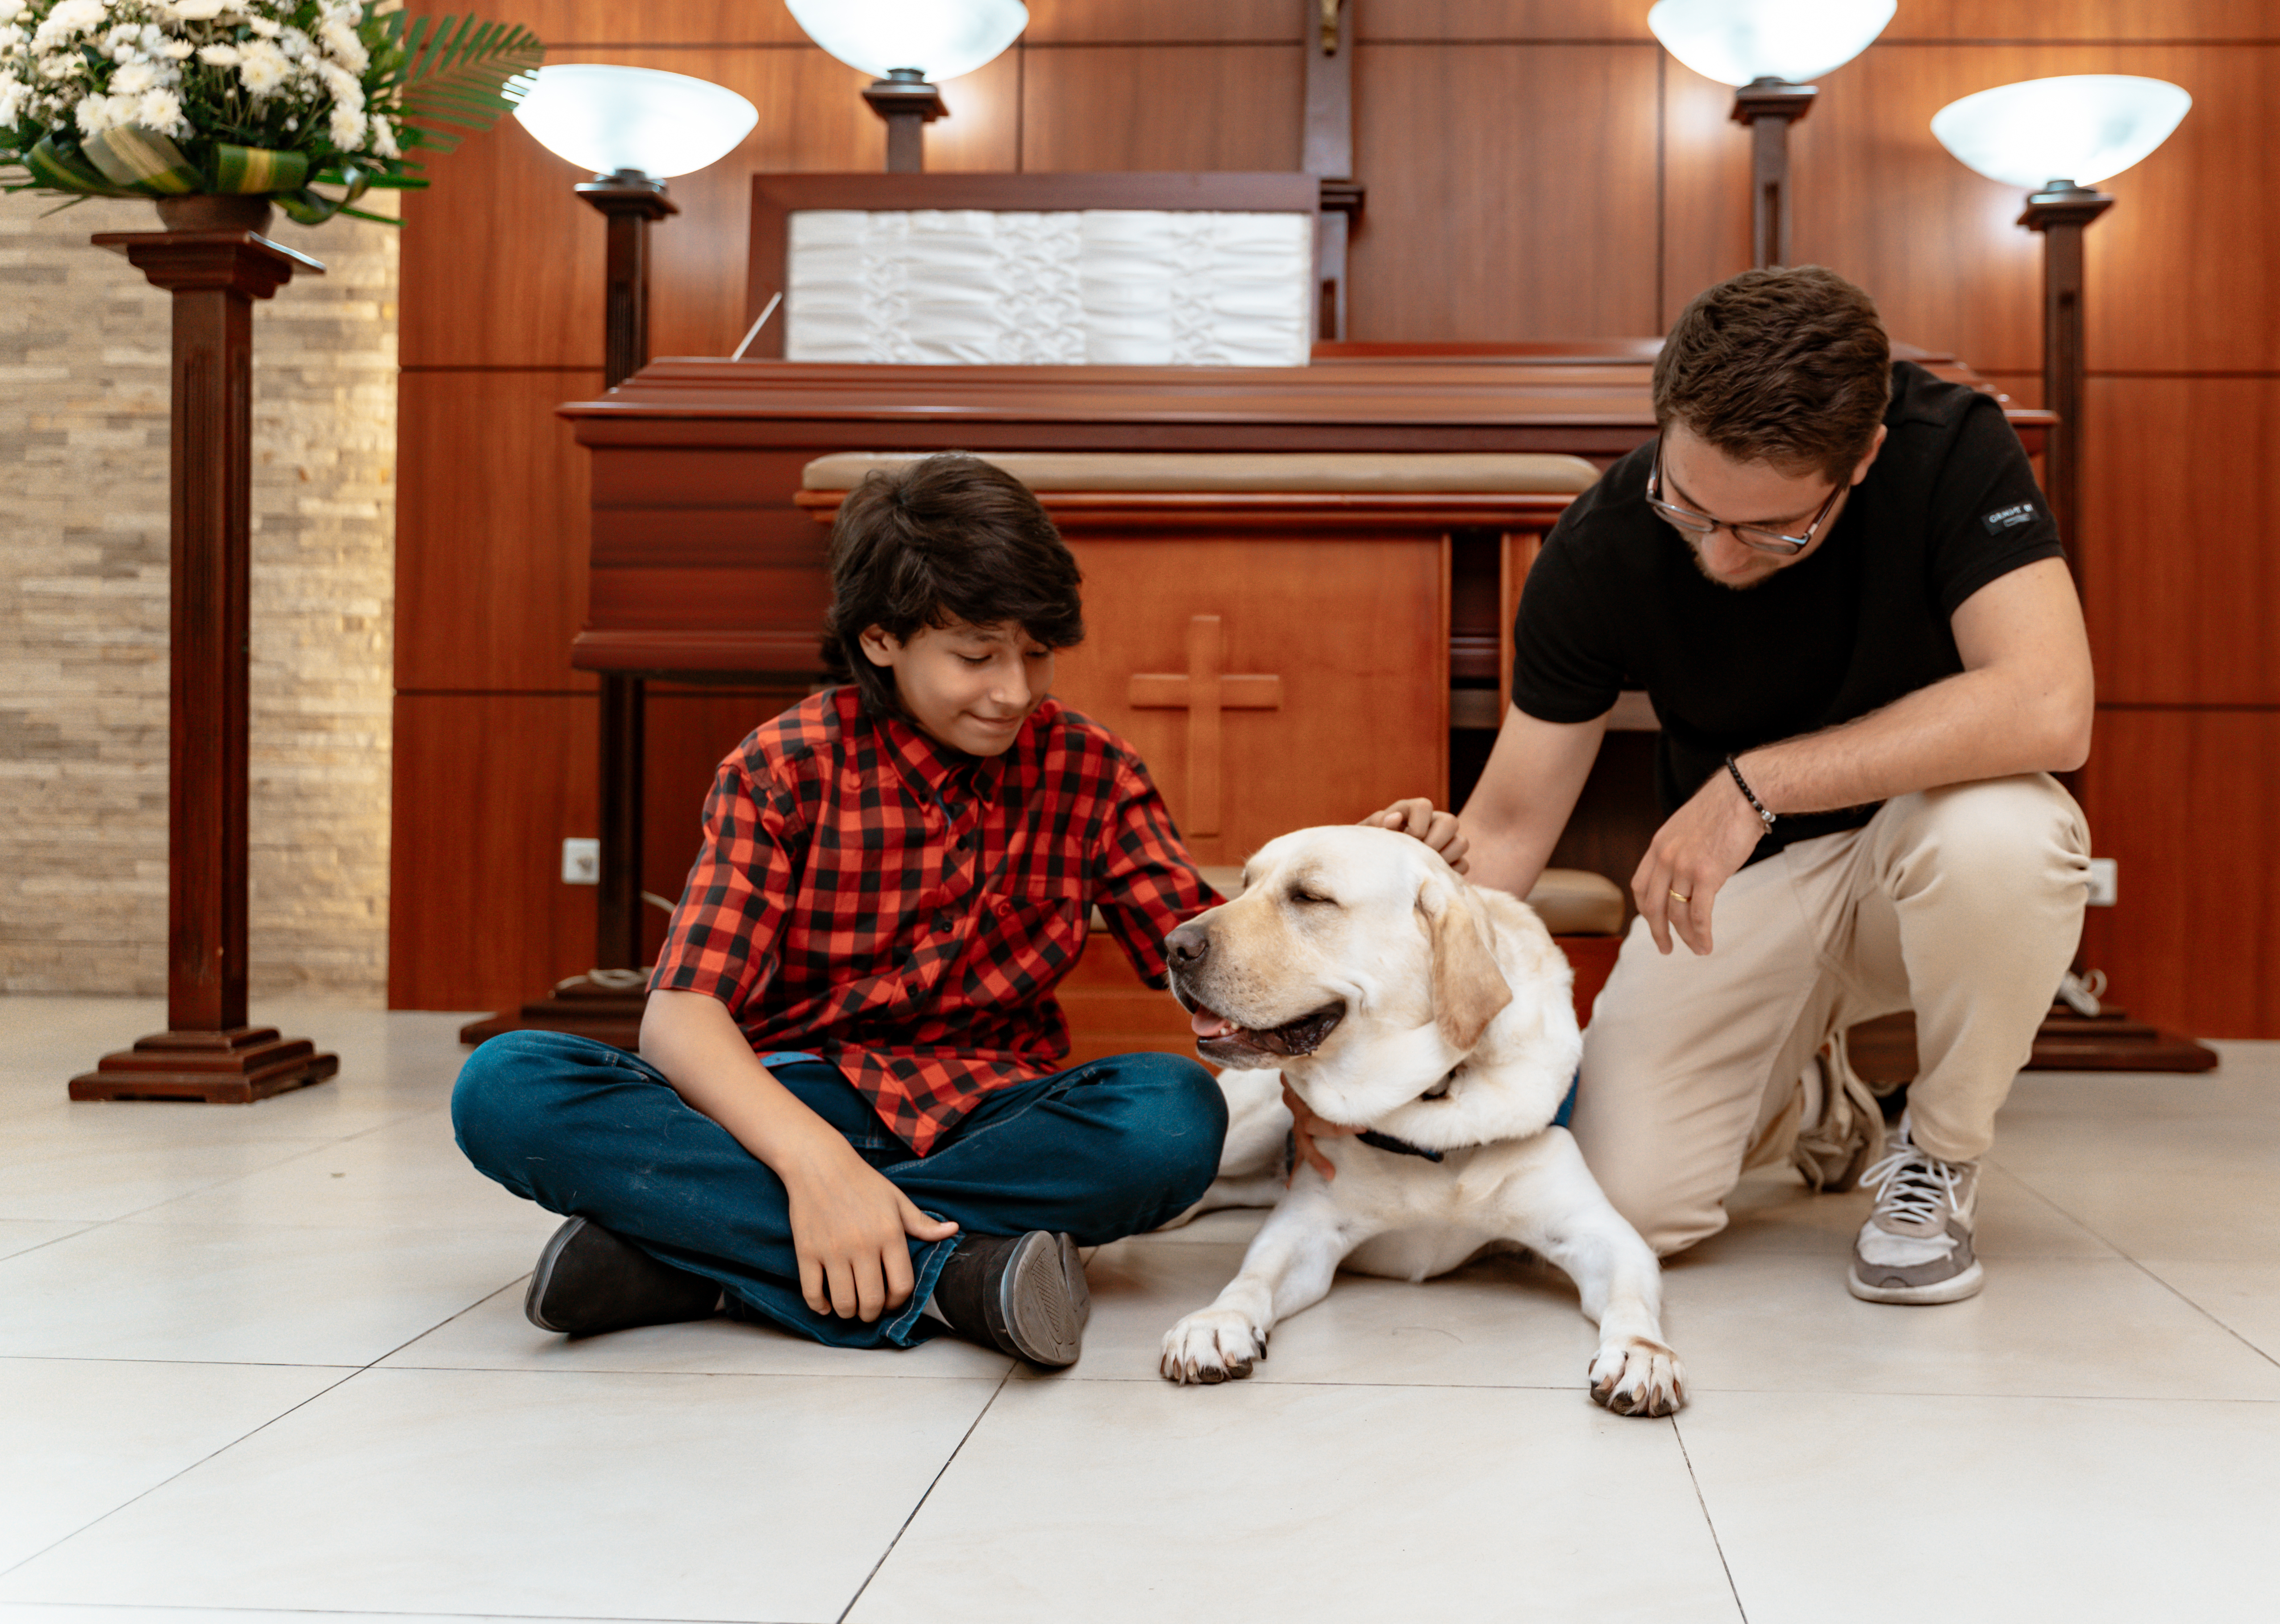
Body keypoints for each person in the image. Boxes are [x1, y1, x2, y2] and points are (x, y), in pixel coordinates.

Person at [1361, 266, 2094, 1305]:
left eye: (1772, 529)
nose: (1716, 550)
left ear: (1865, 458)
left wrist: (1756, 784)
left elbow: (2051, 704)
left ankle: (1939, 1151)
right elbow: (1513, 829)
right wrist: (1412, 886)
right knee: (1626, 1203)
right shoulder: (1602, 543)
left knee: (2006, 834)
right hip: (1743, 898)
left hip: (1923, 863)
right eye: (1689, 503)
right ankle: (1810, 1098)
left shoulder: (1951, 445)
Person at [452, 454, 1237, 1367]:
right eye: (978, 655)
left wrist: (1375, 863)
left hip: (987, 1112)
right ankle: (954, 1274)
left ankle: (697, 1257)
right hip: (784, 1098)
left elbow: (1211, 952)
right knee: (505, 1085)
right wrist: (815, 1165)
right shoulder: (784, 766)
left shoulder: (1095, 770)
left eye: (1036, 652)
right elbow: (683, 1017)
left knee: (1172, 1115)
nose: (1016, 690)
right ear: (878, 639)